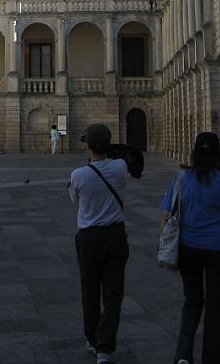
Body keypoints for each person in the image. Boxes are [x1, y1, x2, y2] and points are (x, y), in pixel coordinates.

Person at [160, 132, 220, 364]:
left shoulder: (181, 179)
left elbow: (166, 215)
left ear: (195, 152)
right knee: (216, 306)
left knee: (192, 301)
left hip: (188, 248)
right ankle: (213, 358)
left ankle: (183, 356)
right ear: (218, 153)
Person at [68, 124, 129, 364]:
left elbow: (75, 200)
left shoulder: (79, 175)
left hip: (89, 239)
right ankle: (105, 348)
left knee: (89, 292)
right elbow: (127, 161)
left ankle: (92, 339)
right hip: (115, 237)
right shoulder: (120, 168)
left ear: (87, 145)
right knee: (113, 295)